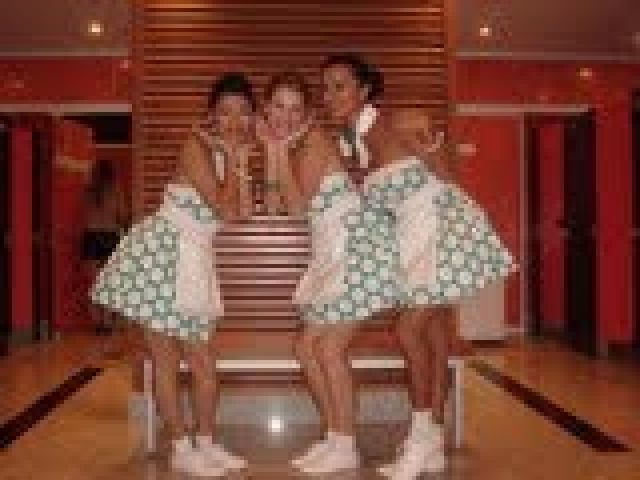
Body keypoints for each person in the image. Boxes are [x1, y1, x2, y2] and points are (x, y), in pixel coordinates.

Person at [320, 53, 516, 479]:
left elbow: (448, 181)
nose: (330, 95)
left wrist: (434, 151)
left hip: (441, 229)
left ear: (364, 90)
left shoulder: (405, 121)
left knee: (408, 329)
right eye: (326, 87)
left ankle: (421, 434)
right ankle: (433, 443)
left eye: (339, 86)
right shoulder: (352, 144)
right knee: (434, 334)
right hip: (410, 239)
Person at [90, 73, 254, 477]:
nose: (235, 120)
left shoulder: (229, 155)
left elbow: (240, 215)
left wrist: (239, 163)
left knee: (200, 360)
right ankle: (183, 447)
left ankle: (207, 444)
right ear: (211, 115)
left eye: (243, 112)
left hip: (191, 257)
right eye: (225, 111)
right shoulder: (196, 145)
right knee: (171, 358)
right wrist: (236, 161)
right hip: (164, 254)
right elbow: (221, 207)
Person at [83, 158, 129, 334]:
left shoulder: (89, 190)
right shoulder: (115, 189)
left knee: (94, 284)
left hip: (91, 237)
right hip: (110, 236)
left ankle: (97, 322)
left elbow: (84, 215)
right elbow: (122, 214)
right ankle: (108, 322)